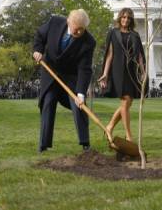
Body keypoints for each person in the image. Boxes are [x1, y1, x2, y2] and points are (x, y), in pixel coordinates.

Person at [33, 9, 96, 153]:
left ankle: (85, 143)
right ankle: (43, 144)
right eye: (76, 28)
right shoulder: (54, 22)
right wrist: (38, 50)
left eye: (82, 29)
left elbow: (84, 69)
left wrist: (80, 94)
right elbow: (40, 35)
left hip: (71, 76)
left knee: (79, 106)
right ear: (69, 21)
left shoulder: (89, 42)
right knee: (48, 102)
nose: (79, 32)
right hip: (50, 72)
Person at [98, 8, 146, 142]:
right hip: (118, 71)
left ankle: (109, 126)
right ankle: (129, 136)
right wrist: (105, 74)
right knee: (125, 101)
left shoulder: (135, 35)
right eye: (123, 17)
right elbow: (110, 55)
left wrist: (143, 72)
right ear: (120, 18)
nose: (125, 20)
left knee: (127, 104)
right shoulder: (113, 33)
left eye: (128, 18)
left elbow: (140, 56)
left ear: (131, 20)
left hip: (132, 71)